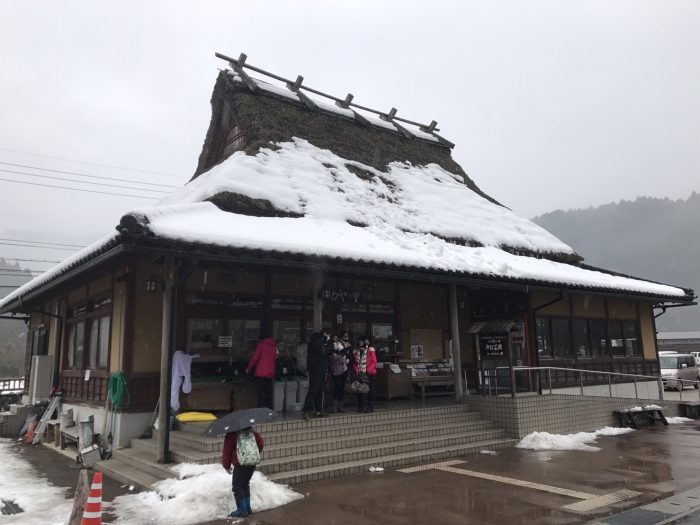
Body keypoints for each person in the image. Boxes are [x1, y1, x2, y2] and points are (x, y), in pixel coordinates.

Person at [222, 426, 264, 518]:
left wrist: (226, 465)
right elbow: (260, 444)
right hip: (252, 463)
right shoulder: (252, 432)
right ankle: (247, 508)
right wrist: (251, 454)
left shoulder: (231, 434)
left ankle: (242, 510)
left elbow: (227, 451)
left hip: (240, 464)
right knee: (245, 484)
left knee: (237, 487)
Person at [303, 328, 332, 420]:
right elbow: (322, 351)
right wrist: (331, 348)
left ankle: (318, 411)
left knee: (320, 391)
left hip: (322, 369)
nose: (329, 337)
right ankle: (306, 410)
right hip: (315, 369)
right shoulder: (316, 341)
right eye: (328, 335)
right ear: (324, 333)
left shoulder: (323, 342)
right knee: (313, 390)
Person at [246, 331, 277, 409]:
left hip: (261, 372)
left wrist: (249, 368)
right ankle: (269, 410)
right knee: (269, 393)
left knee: (260, 393)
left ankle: (260, 410)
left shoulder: (261, 345)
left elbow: (255, 358)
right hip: (270, 372)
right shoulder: (274, 346)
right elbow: (275, 357)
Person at [353, 337, 377, 413]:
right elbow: (355, 363)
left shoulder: (370, 350)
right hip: (360, 372)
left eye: (362, 342)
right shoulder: (356, 351)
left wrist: (368, 370)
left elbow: (374, 361)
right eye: (359, 342)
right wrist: (356, 370)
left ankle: (370, 406)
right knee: (360, 390)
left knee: (370, 390)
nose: (360, 343)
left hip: (369, 372)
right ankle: (360, 406)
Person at [329, 333, 351, 413]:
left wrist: (344, 351)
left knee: (342, 387)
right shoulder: (330, 346)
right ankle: (334, 406)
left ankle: (340, 406)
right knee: (336, 386)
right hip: (335, 371)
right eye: (334, 338)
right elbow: (331, 357)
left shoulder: (342, 346)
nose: (336, 340)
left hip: (343, 370)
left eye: (337, 338)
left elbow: (346, 354)